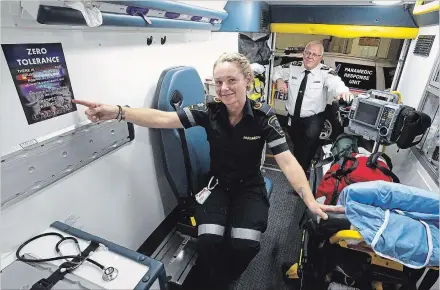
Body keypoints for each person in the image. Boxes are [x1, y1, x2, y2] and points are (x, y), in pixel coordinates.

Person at [73, 52, 344, 289]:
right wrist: (118, 112)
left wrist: (309, 199)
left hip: (250, 186)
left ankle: (230, 277)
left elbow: (287, 161)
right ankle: (215, 278)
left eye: (231, 80)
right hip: (217, 185)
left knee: (245, 245)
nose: (224, 88)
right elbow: (163, 118)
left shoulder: (264, 117)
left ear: (248, 82)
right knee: (208, 241)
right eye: (219, 82)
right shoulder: (209, 110)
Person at [273, 40, 354, 175]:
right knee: (297, 144)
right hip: (293, 118)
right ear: (303, 53)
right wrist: (279, 80)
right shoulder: (294, 66)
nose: (310, 56)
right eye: (308, 53)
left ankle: (301, 173)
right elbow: (276, 70)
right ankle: (305, 163)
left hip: (313, 119)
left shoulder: (326, 72)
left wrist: (343, 92)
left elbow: (336, 84)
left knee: (307, 144)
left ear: (320, 58)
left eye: (315, 55)